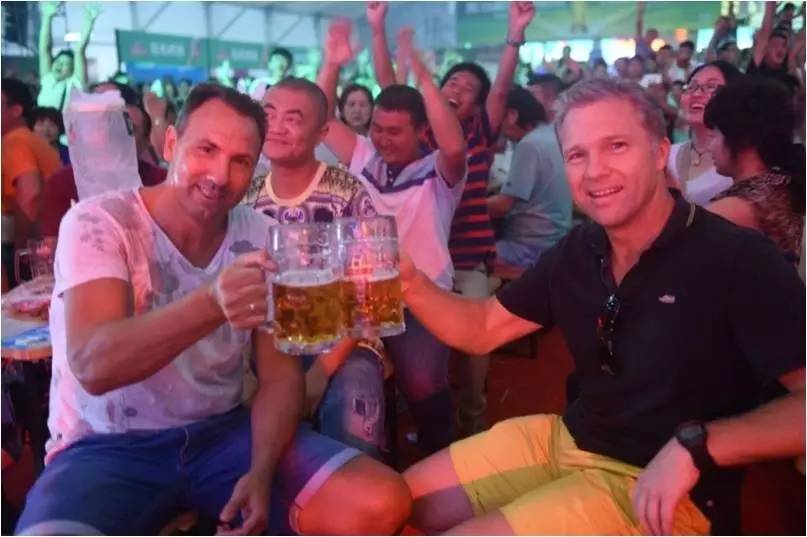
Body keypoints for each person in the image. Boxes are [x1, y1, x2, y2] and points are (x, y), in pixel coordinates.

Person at [398, 77, 805, 536]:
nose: (594, 171)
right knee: (390, 504)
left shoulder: (736, 257)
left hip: (665, 491)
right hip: (567, 439)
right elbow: (483, 328)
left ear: (659, 153)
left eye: (616, 146)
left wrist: (699, 444)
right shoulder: (580, 249)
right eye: (577, 155)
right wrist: (408, 282)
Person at [14, 84, 411, 536]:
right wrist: (211, 303)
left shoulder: (262, 235)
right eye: (206, 149)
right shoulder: (100, 222)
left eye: (240, 161)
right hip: (106, 446)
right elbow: (94, 365)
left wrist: (261, 472)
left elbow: (279, 378)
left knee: (381, 501)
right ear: (170, 144)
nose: (220, 176)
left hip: (222, 435)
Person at [369, 0, 535, 437]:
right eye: (452, 80)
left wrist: (514, 35)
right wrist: (378, 28)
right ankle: (424, 411)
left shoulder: (477, 134)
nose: (457, 86)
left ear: (477, 105)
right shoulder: (416, 138)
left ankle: (472, 418)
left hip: (465, 261)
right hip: (420, 268)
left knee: (475, 341)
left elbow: (500, 91)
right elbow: (390, 88)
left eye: (467, 86)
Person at [318, 22, 468, 454]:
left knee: (423, 384)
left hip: (422, 295)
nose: (382, 138)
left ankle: (440, 457)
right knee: (332, 369)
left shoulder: (440, 171)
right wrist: (331, 63)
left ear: (421, 131)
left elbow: (455, 147)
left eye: (394, 131)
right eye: (377, 128)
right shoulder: (364, 155)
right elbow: (322, 121)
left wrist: (421, 72)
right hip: (363, 292)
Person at [243, 76, 386, 458]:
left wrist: (322, 370)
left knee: (352, 411)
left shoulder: (346, 191)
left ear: (322, 132)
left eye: (293, 119)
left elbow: (369, 291)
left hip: (341, 345)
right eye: (269, 115)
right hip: (266, 345)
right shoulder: (248, 195)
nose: (276, 127)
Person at [706, 78, 805, 266]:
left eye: (715, 135)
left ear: (741, 139)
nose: (709, 147)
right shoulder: (781, 185)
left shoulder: (741, 207)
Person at [39, 101, 167, 239]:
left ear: (146, 140)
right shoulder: (62, 183)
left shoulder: (161, 182)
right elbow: (52, 244)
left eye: (127, 128)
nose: (116, 135)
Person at [488, 86, 571, 270]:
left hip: (530, 248)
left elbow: (503, 205)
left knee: (467, 255)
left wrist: (466, 206)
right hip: (556, 240)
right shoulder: (551, 134)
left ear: (511, 115)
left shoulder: (529, 145)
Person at [1, 78, 61, 286]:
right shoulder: (33, 141)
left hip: (27, 247)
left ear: (16, 110)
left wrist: (20, 252)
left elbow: (30, 195)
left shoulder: (15, 141)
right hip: (46, 245)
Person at [666, 61, 744, 206]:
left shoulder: (742, 160)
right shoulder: (667, 154)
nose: (696, 94)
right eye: (691, 87)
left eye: (711, 87)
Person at [37, 2, 100, 112]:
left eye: (65, 63)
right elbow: (44, 50)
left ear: (72, 71)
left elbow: (79, 50)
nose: (59, 64)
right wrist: (47, 17)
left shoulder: (75, 84)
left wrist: (89, 21)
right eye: (58, 61)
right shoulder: (48, 79)